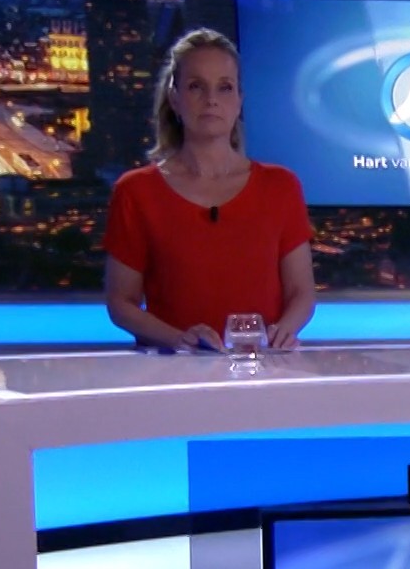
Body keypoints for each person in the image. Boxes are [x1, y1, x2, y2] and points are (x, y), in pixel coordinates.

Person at [104, 28, 315, 351]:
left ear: (239, 100)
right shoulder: (136, 191)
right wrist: (179, 340)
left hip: (264, 368)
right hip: (175, 370)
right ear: (174, 98)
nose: (211, 100)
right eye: (196, 86)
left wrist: (283, 332)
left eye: (224, 87)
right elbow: (121, 302)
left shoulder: (281, 186)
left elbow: (302, 293)